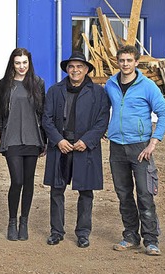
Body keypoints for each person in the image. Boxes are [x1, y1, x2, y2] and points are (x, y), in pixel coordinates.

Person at [104, 45, 165, 256]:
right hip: (117, 147)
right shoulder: (110, 84)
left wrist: (153, 142)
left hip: (140, 147)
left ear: (136, 62)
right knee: (123, 194)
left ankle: (151, 240)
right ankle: (130, 236)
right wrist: (104, 128)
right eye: (121, 60)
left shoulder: (148, 86)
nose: (125, 64)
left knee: (145, 194)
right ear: (118, 61)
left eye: (129, 60)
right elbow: (102, 109)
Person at [41, 51, 110, 248]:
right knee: (56, 190)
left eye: (79, 66)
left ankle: (83, 232)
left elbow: (102, 120)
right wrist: (58, 140)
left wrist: (87, 141)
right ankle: (56, 231)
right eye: (71, 66)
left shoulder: (98, 92)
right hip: (60, 147)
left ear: (87, 69)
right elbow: (46, 119)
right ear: (67, 69)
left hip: (84, 148)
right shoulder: (55, 90)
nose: (75, 70)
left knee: (86, 192)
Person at [0, 48, 47, 241]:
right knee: (17, 181)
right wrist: (3, 139)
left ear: (29, 63)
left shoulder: (38, 83)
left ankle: (24, 221)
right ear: (12, 64)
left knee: (28, 182)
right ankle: (12, 221)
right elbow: (0, 114)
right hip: (12, 139)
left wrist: (44, 141)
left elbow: (43, 113)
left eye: (25, 62)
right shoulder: (4, 85)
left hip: (33, 139)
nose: (21, 66)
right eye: (18, 63)